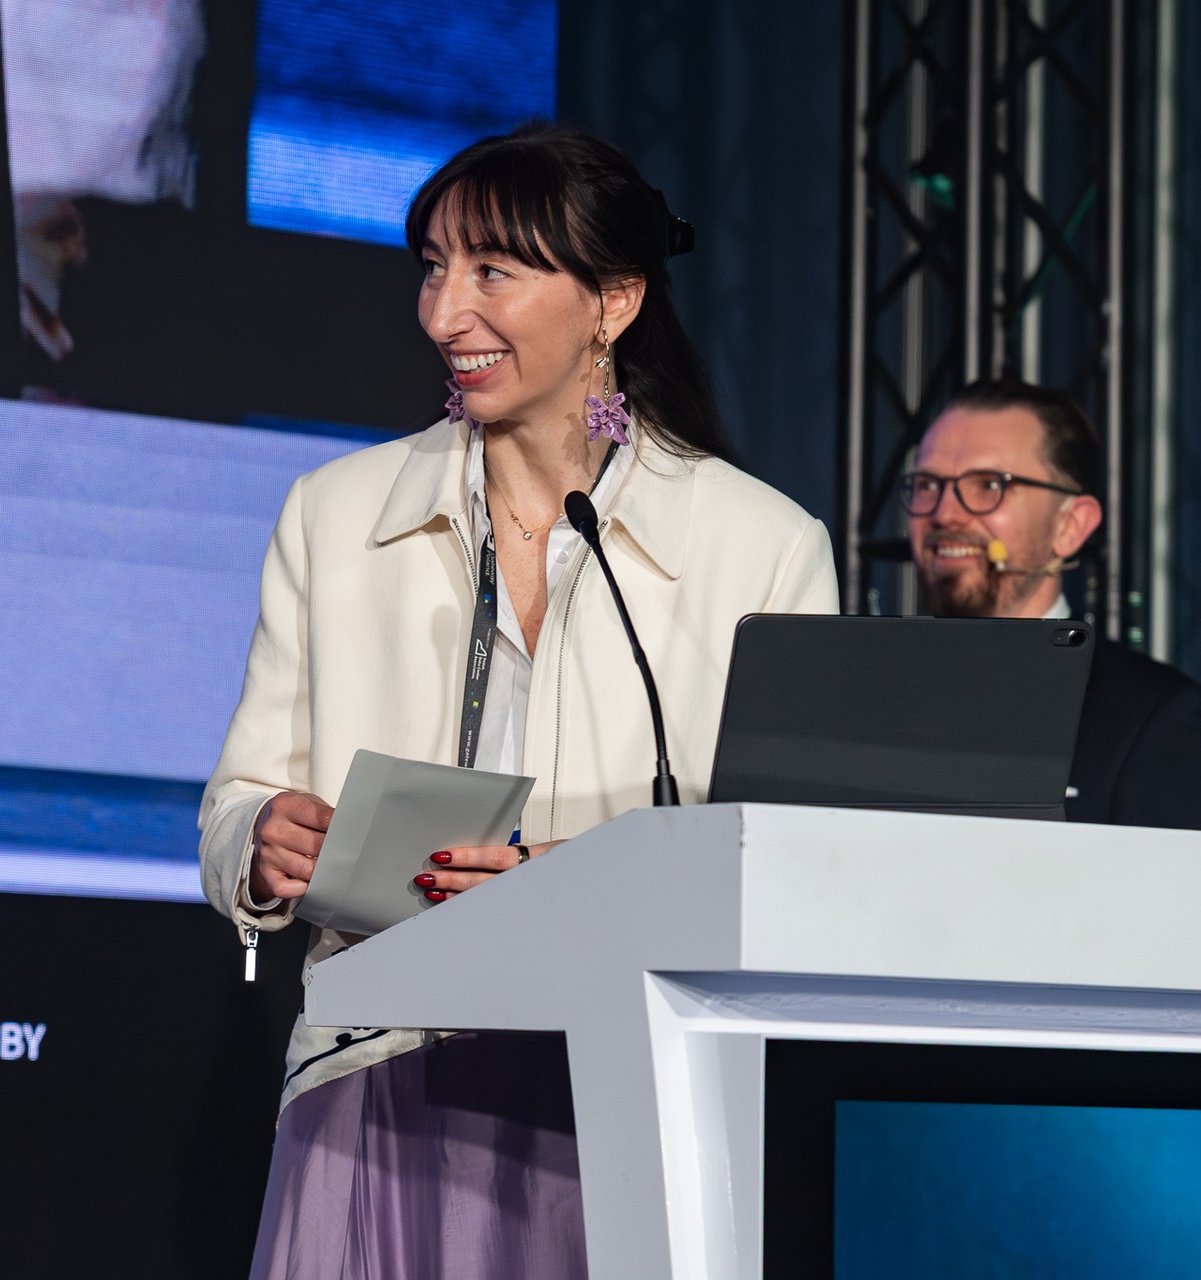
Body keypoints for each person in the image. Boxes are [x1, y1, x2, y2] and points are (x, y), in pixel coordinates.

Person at [198, 122, 839, 1278]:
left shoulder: (761, 544)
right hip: (377, 1075)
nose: (445, 313)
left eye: (491, 270)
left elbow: (787, 862)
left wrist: (579, 887)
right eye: (433, 268)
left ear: (614, 302)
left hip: (634, 1089)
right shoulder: (335, 512)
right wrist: (259, 840)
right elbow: (239, 795)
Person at [902, 378, 1201, 830]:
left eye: (988, 485)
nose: (944, 513)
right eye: (927, 485)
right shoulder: (873, 699)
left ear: (1071, 527)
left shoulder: (1156, 723)